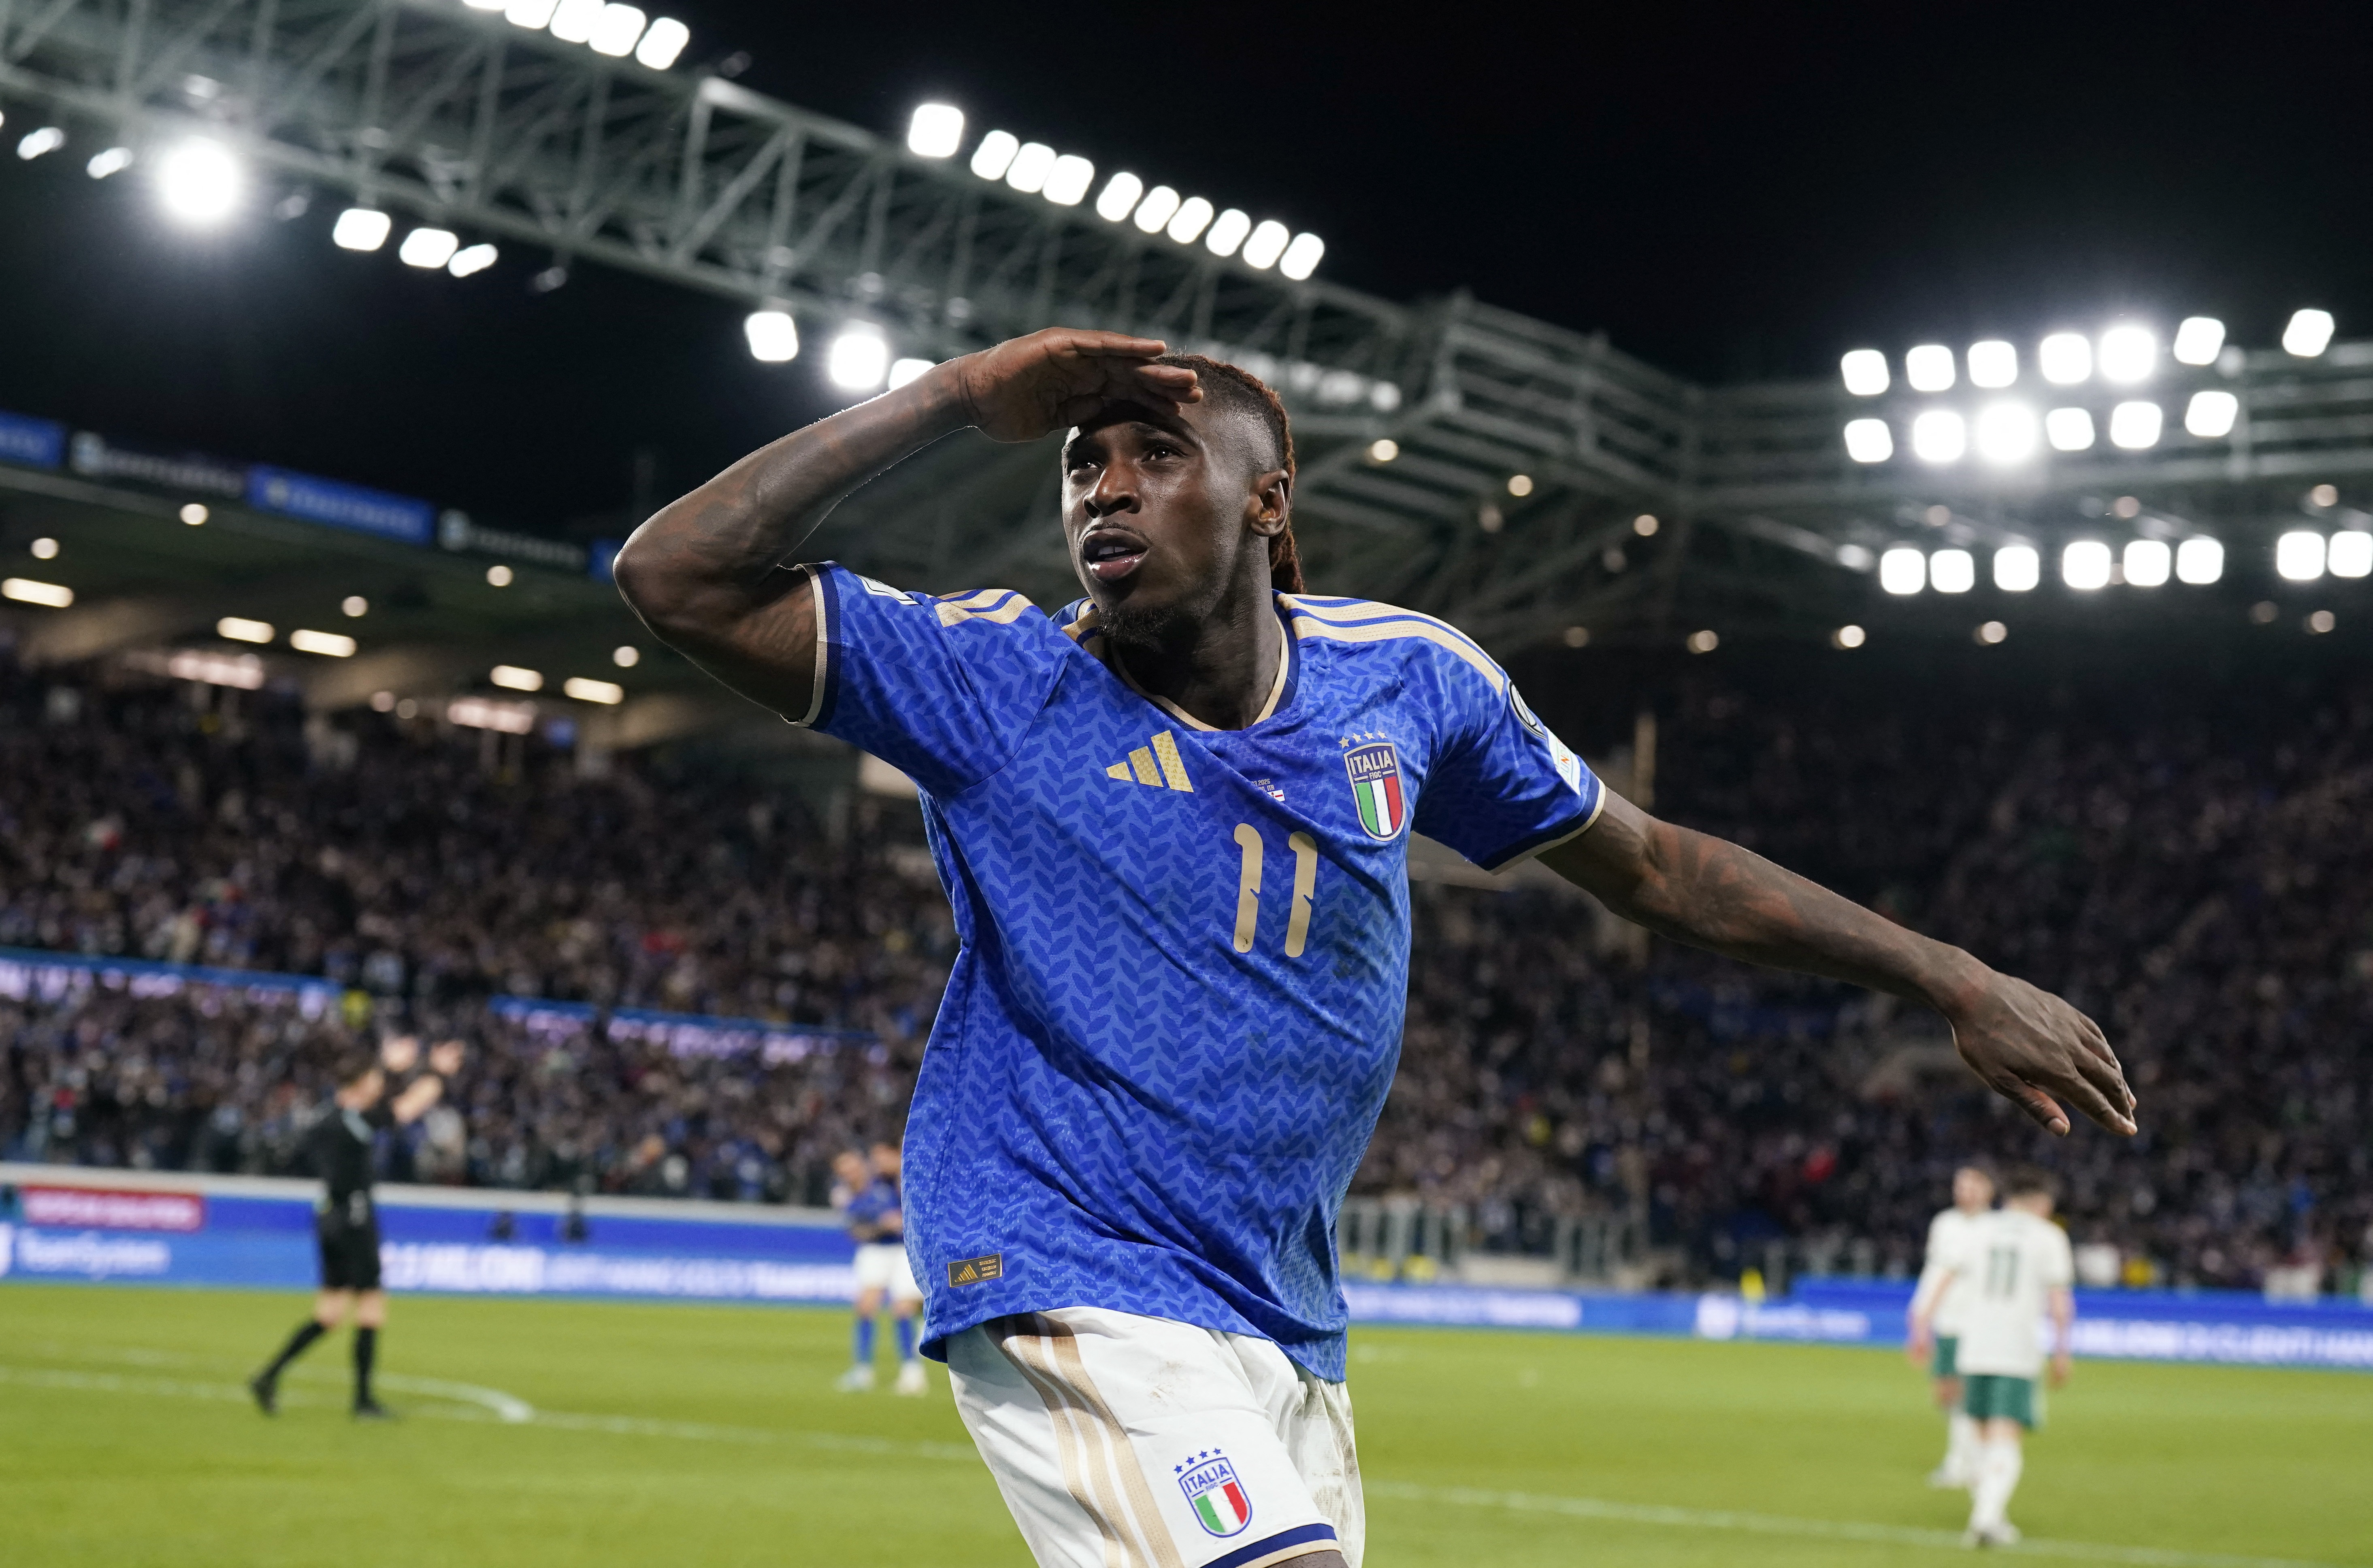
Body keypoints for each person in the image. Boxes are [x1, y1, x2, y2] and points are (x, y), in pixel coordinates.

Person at [614, 328, 2137, 1568]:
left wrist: (1948, 973)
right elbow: (669, 576)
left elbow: (1659, 870)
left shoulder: (1408, 683)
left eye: (1156, 457)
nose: (1105, 491)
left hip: (1280, 1310)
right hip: (1068, 1267)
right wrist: (953, 398)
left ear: (1266, 502)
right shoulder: (996, 685)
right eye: (1083, 462)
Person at [248, 1035, 463, 1419]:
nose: (380, 1086)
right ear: (363, 1082)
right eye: (375, 1080)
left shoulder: (327, 1115)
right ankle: (363, 1401)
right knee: (371, 1306)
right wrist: (434, 1071)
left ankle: (269, 1375)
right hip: (354, 1219)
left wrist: (395, 1068)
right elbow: (408, 1107)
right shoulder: (354, 1122)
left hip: (329, 1217)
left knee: (330, 1313)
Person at [1913, 1168, 2075, 1547]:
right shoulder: (2049, 1236)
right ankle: (1985, 1520)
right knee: (2006, 1434)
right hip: (2015, 1349)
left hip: (1974, 1346)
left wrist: (1922, 1324)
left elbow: (1942, 1277)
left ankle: (1992, 1516)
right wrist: (2063, 1350)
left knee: (1983, 1433)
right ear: (2044, 1203)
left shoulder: (1980, 1230)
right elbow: (2058, 1299)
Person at [1907, 1163, 1997, 1488]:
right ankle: (1966, 1458)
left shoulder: (1997, 1228)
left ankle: (1967, 1463)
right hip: (1947, 1320)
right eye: (1960, 1185)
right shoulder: (1944, 1223)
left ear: (1989, 1189)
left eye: (1972, 1184)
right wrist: (1919, 1316)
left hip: (1978, 1323)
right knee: (1946, 1394)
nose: (1964, 1191)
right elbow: (1934, 1271)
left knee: (1970, 1395)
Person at [831, 1144, 928, 1394]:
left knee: (902, 1308)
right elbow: (856, 1232)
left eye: (853, 1166)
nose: (851, 1173)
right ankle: (863, 1371)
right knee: (865, 1307)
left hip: (901, 1251)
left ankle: (912, 1372)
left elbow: (905, 1179)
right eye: (845, 1170)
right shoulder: (846, 1199)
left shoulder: (884, 1181)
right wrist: (882, 1226)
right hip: (874, 1250)